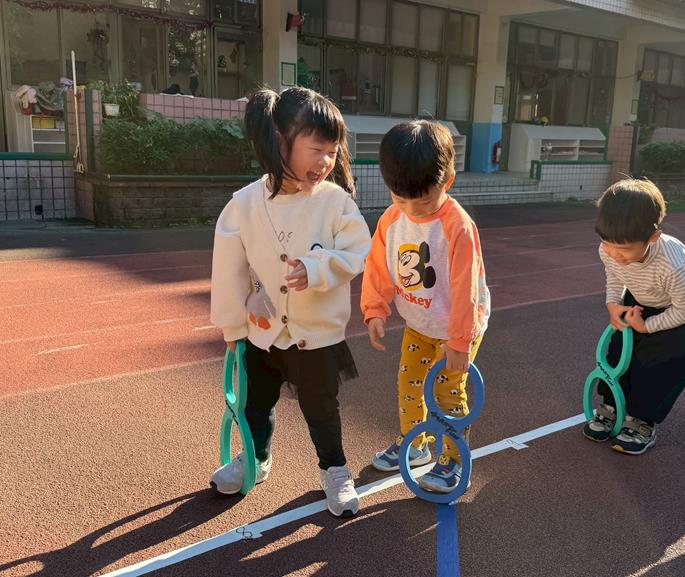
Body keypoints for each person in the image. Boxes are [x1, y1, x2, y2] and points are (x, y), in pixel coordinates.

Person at [209, 87, 372, 517]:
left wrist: (317, 269)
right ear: (280, 141)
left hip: (315, 335)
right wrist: (232, 327)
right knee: (254, 403)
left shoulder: (335, 202)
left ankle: (334, 469)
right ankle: (256, 458)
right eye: (316, 150)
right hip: (263, 333)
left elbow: (357, 251)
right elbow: (229, 270)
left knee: (321, 408)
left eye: (332, 152)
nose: (326, 161)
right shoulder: (244, 204)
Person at [361, 120, 490, 493]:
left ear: (447, 181)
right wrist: (374, 309)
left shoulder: (457, 227)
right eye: (401, 199)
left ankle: (453, 459)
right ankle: (415, 444)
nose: (412, 210)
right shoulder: (391, 219)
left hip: (457, 326)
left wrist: (460, 341)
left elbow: (466, 289)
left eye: (423, 201)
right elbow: (378, 265)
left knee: (448, 392)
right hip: (419, 323)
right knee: (409, 384)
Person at [582, 179, 685, 455]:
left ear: (653, 237)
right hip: (645, 296)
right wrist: (613, 304)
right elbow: (615, 275)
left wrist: (647, 326)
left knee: (658, 364)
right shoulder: (610, 248)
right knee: (619, 353)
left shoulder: (670, 263)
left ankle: (642, 421)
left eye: (625, 250)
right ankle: (611, 407)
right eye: (608, 245)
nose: (615, 255)